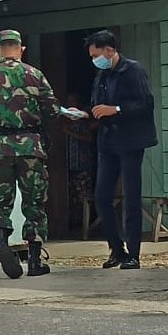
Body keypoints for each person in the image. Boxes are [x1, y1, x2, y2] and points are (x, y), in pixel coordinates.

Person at [0, 29, 61, 278]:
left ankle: (1, 243)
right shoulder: (35, 75)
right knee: (34, 202)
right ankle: (34, 259)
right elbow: (52, 110)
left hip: (0, 148)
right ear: (21, 49)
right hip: (31, 147)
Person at [87, 30, 157, 271]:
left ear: (110, 50)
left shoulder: (132, 70)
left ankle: (134, 254)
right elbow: (98, 104)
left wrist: (115, 109)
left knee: (131, 196)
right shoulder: (102, 74)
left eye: (97, 54)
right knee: (102, 195)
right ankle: (116, 249)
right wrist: (88, 113)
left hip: (130, 140)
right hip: (107, 141)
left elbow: (144, 104)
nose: (95, 59)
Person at [63, 91, 97, 231]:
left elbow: (89, 139)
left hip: (82, 164)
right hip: (69, 164)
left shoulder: (82, 122)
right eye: (68, 102)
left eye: (73, 102)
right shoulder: (64, 121)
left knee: (83, 195)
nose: (71, 105)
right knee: (71, 195)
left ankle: (86, 224)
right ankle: (73, 223)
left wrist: (69, 133)